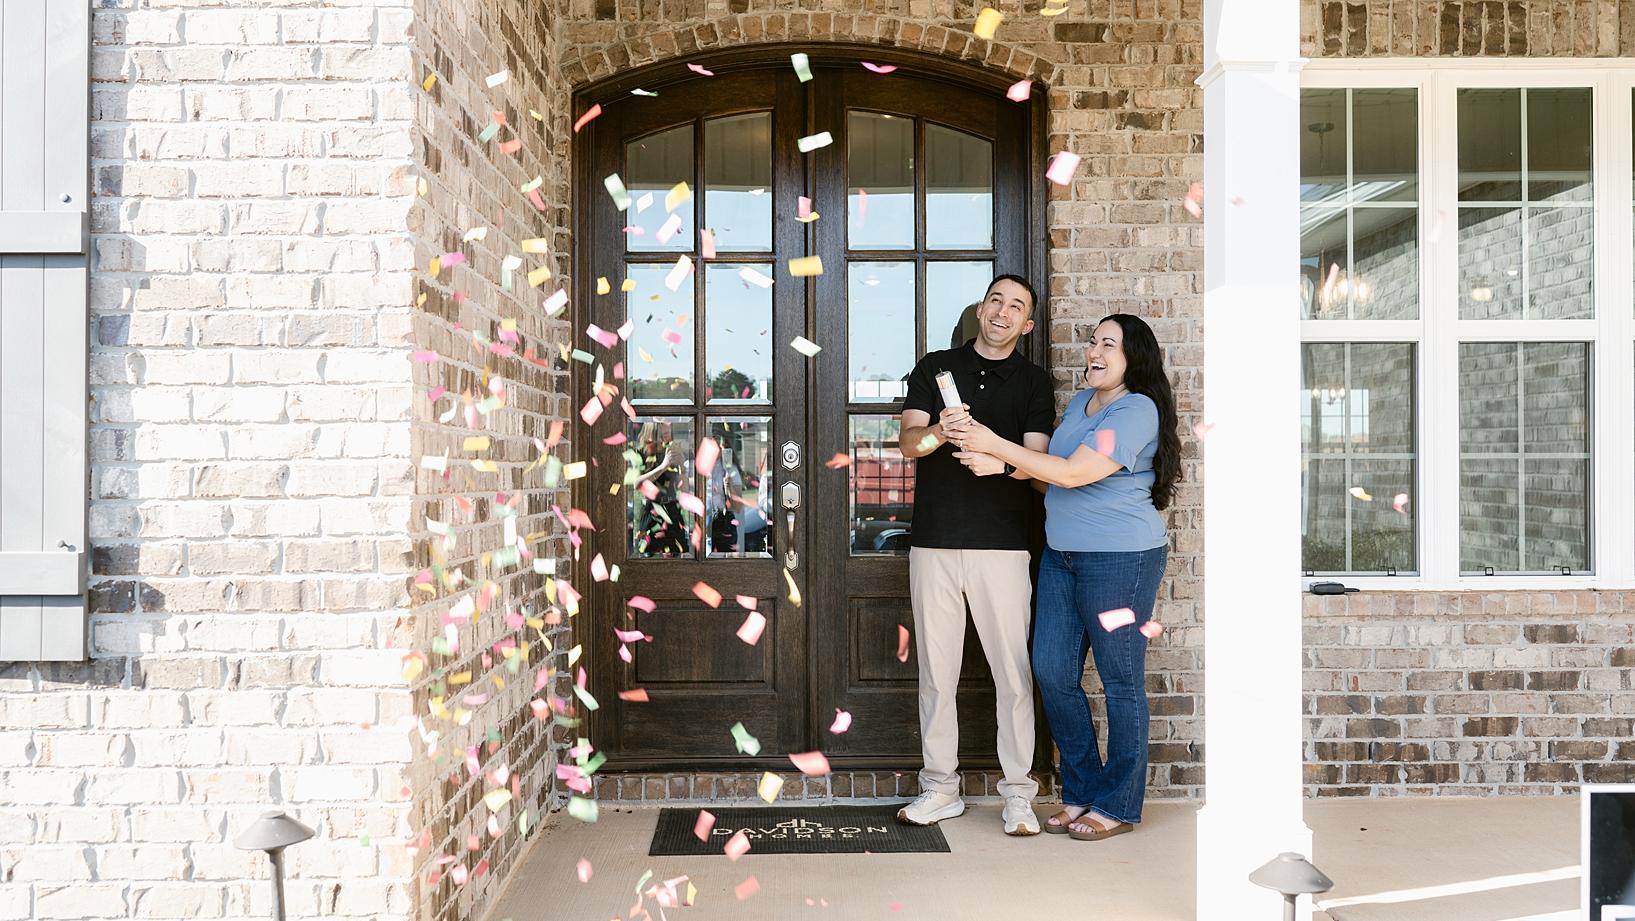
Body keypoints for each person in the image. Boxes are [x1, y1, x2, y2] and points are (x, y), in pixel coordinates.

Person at [947, 313, 1179, 842]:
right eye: (1092, 341)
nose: (1094, 351)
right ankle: (1081, 791)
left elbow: (1075, 473)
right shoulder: (1081, 404)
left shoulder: (1136, 409)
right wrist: (1005, 466)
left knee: (1120, 682)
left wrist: (993, 442)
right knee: (1051, 672)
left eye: (1108, 344)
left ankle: (1117, 803)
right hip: (1062, 555)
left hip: (1120, 559)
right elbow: (1049, 473)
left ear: (1133, 358)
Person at [893, 274, 1055, 837]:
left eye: (1017, 307)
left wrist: (999, 461)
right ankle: (940, 789)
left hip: (1005, 546)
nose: (1003, 312)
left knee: (1012, 674)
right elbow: (910, 445)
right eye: (996, 301)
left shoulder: (1035, 382)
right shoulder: (936, 368)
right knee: (937, 674)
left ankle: (1018, 796)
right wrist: (942, 429)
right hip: (934, 541)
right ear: (980, 309)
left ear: (1027, 324)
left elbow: (1039, 470)